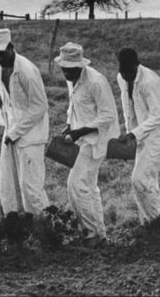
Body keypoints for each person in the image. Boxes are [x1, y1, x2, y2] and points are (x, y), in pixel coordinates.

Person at [56, 42, 118, 246]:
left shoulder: (96, 81)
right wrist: (68, 126)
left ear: (80, 65)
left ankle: (91, 234)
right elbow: (74, 106)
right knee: (90, 188)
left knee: (76, 184)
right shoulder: (72, 79)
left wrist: (80, 131)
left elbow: (108, 115)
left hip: (95, 141)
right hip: (81, 139)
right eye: (63, 68)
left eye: (69, 69)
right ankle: (99, 234)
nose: (66, 72)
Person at [0, 28, 50, 216]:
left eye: (1, 53)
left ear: (11, 47)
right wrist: (1, 97)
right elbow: (10, 93)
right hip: (12, 127)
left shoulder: (27, 71)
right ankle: (19, 224)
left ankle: (45, 227)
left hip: (31, 134)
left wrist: (15, 132)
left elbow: (40, 106)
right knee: (9, 183)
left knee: (30, 187)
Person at [115, 47, 160, 224]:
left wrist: (134, 135)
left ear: (137, 65)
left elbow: (158, 115)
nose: (126, 74)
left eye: (129, 70)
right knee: (145, 179)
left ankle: (155, 223)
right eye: (122, 70)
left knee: (140, 178)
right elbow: (128, 107)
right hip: (143, 132)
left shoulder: (150, 81)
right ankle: (149, 222)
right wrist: (130, 135)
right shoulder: (122, 78)